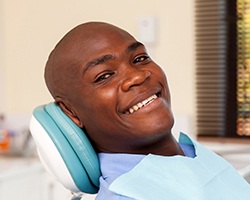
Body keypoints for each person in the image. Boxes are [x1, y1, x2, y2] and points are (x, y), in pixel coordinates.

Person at [44, 21, 250, 199]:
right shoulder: (128, 195)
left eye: (140, 58)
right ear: (71, 112)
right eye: (104, 76)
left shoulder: (193, 155)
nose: (137, 76)